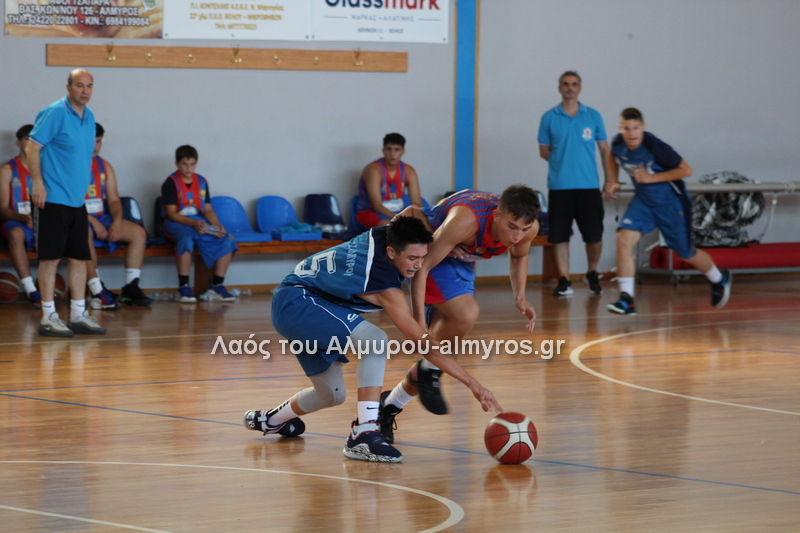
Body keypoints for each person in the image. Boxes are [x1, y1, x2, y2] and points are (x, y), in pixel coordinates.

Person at [243, 216, 502, 463]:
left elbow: (410, 216)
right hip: (299, 302)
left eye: (423, 257)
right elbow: (424, 345)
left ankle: (270, 420)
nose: (418, 265)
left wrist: (451, 243)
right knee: (375, 340)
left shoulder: (386, 234)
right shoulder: (381, 281)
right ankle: (364, 433)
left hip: (313, 305)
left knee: (330, 395)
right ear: (391, 253)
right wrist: (473, 384)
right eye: (412, 258)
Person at [377, 186, 540, 444]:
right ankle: (425, 371)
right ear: (497, 215)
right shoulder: (466, 221)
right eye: (512, 227)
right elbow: (422, 267)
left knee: (443, 354)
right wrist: (419, 325)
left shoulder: (528, 229)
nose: (517, 236)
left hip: (458, 259)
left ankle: (388, 406)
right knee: (465, 316)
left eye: (524, 229)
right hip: (424, 246)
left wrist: (520, 297)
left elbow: (519, 257)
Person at [604, 107, 732, 315]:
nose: (632, 133)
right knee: (623, 240)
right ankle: (627, 300)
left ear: (643, 127)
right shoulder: (618, 143)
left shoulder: (655, 147)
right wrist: (612, 180)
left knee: (686, 254)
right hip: (644, 202)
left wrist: (650, 178)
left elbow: (686, 170)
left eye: (636, 128)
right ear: (621, 129)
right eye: (627, 129)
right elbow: (612, 156)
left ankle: (718, 279)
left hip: (672, 203)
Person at [26, 68, 106, 337]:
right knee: (50, 259)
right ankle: (48, 316)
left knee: (79, 258)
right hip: (51, 198)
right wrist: (38, 183)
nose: (85, 91)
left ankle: (78, 314)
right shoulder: (54, 112)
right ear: (68, 87)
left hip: (76, 201)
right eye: (79, 85)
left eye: (89, 86)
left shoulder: (90, 117)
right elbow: (32, 147)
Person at [538, 70, 612, 296]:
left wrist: (610, 180)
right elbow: (544, 151)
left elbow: (605, 150)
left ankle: (592, 272)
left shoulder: (593, 116)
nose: (570, 87)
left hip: (588, 186)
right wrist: (564, 160)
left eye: (574, 84)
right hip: (560, 187)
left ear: (579, 88)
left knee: (594, 235)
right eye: (565, 84)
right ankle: (564, 279)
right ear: (559, 88)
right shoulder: (549, 117)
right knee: (560, 236)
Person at [84, 123, 152, 310]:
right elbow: (70, 201)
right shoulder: (70, 164)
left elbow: (114, 200)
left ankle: (131, 288)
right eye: (91, 141)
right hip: (79, 217)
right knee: (83, 234)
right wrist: (93, 221)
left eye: (98, 141)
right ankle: (97, 291)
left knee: (138, 233)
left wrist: (116, 222)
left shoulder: (105, 166)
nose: (95, 146)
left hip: (100, 217)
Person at [161, 144, 238, 303]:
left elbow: (208, 209)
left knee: (227, 239)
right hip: (178, 222)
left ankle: (217, 284)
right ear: (177, 163)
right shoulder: (170, 182)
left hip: (198, 221)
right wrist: (192, 223)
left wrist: (217, 226)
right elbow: (171, 213)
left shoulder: (202, 181)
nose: (188, 168)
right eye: (184, 164)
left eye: (192, 164)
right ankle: (184, 287)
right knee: (186, 241)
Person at [0, 124, 41, 305]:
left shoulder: (47, 168)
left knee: (70, 230)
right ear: (18, 143)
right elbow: (2, 209)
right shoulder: (7, 170)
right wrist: (22, 218)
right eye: (27, 139)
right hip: (16, 221)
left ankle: (91, 290)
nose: (31, 143)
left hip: (43, 221)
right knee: (16, 233)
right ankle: (31, 289)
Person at [354, 133, 423, 229]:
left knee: (422, 225)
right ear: (383, 150)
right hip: (370, 213)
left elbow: (417, 203)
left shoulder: (409, 171)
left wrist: (415, 217)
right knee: (389, 227)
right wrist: (399, 218)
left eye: (396, 149)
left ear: (403, 151)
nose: (392, 154)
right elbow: (377, 206)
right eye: (388, 149)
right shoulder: (374, 169)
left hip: (398, 213)